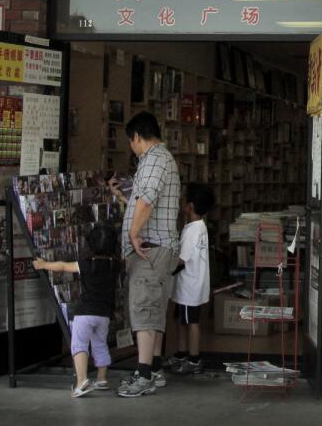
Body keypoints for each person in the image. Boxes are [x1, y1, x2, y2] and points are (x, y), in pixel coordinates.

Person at [117, 111, 181, 398]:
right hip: (158, 249)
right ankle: (154, 368)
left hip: (150, 250)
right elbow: (141, 200)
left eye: (131, 141)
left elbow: (147, 200)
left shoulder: (155, 159)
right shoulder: (159, 160)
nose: (132, 147)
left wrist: (132, 235)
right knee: (153, 311)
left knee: (143, 311)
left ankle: (143, 375)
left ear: (137, 137)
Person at [32, 223, 120, 398]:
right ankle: (102, 379)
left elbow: (63, 266)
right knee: (100, 345)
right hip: (104, 314)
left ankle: (81, 381)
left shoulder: (86, 263)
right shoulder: (115, 265)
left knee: (79, 344)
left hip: (84, 312)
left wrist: (43, 264)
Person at [168, 183, 215, 375]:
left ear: (191, 206)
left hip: (189, 286)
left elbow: (181, 260)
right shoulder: (199, 226)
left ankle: (194, 358)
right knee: (182, 320)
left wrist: (164, 269)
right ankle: (181, 353)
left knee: (191, 322)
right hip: (193, 284)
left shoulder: (191, 231)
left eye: (184, 200)